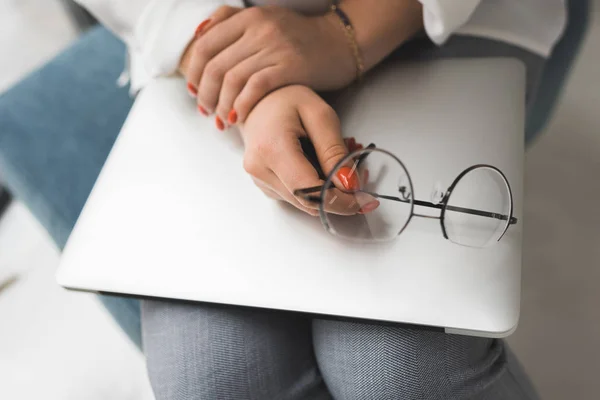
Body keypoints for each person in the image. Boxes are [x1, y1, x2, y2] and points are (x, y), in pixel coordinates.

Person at [0, 0, 567, 398]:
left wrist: (344, 36)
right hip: (211, 32)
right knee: (213, 381)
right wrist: (240, 73)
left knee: (399, 374)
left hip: (439, 17)